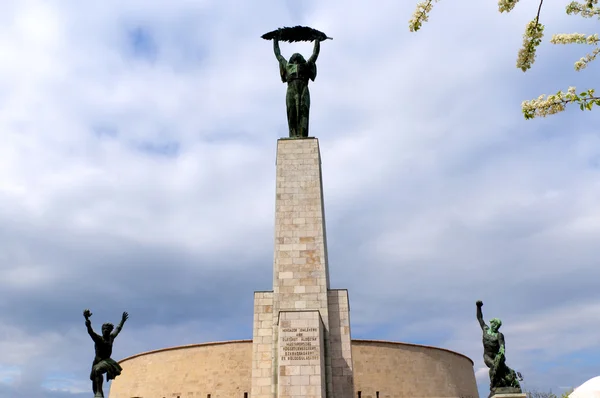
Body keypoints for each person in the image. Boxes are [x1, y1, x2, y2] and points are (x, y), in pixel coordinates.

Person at [273, 38, 320, 138]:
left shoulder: (306, 65)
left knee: (304, 112)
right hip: (291, 89)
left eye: (298, 57)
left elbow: (315, 54)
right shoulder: (287, 65)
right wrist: (275, 39)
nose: (296, 57)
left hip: (303, 88)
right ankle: (293, 135)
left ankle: (303, 135)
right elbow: (278, 55)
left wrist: (317, 39)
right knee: (292, 112)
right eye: (294, 57)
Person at [476, 300, 522, 395]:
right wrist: (478, 307)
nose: (493, 325)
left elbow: (502, 346)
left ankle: (502, 384)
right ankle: (493, 385)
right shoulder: (485, 329)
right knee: (494, 366)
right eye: (492, 323)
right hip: (487, 356)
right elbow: (480, 318)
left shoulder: (499, 335)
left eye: (495, 324)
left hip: (498, 356)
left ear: (497, 325)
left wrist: (501, 352)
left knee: (503, 371)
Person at [84, 309, 128, 398]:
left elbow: (118, 329)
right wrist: (87, 319)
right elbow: (90, 332)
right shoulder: (98, 339)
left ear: (110, 330)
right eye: (104, 328)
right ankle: (98, 393)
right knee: (94, 381)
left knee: (97, 370)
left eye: (107, 329)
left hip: (107, 361)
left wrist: (122, 321)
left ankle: (99, 393)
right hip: (97, 361)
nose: (105, 330)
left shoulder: (111, 338)